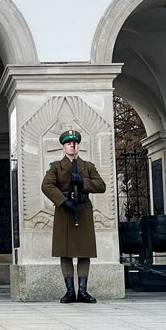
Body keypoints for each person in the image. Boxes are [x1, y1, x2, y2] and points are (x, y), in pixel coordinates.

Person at [41, 129, 106, 304]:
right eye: (68, 143)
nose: (72, 146)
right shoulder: (56, 166)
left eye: (75, 143)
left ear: (79, 146)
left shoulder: (88, 166)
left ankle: (82, 291)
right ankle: (70, 291)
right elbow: (47, 185)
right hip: (65, 211)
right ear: (63, 147)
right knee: (65, 252)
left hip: (83, 209)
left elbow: (101, 185)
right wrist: (63, 201)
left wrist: (83, 182)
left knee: (85, 252)